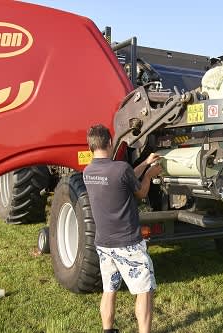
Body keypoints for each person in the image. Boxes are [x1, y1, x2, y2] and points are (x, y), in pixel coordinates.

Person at [83, 124, 162, 333]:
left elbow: (123, 178)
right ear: (110, 143)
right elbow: (141, 192)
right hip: (128, 243)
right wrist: (149, 174)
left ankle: (108, 330)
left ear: (91, 146)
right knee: (144, 291)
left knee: (109, 289)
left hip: (104, 243)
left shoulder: (88, 172)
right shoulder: (120, 168)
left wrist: (144, 163)